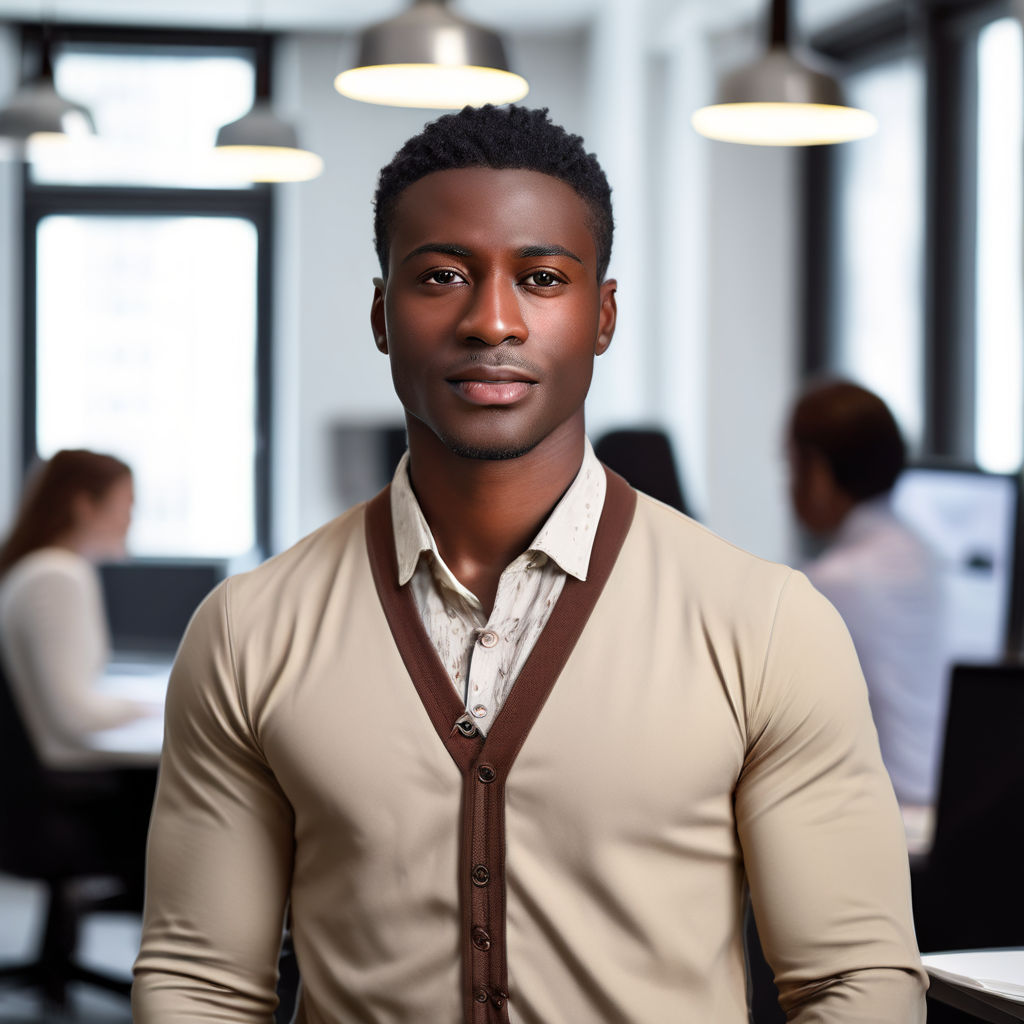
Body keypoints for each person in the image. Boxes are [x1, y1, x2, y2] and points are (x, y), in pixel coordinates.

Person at [133, 106, 926, 1022]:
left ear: (604, 315)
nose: (492, 321)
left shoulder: (766, 625)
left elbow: (853, 981)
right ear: (384, 315)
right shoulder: (248, 631)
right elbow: (203, 984)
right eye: (441, 277)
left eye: (542, 278)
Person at [787, 380, 949, 810]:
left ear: (818, 473)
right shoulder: (926, 557)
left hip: (882, 815)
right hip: (937, 804)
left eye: (792, 467)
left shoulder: (834, 583)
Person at [0, 448, 159, 767]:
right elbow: (74, 715)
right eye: (125, 507)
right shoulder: (55, 575)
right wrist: (157, 706)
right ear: (84, 506)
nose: (130, 521)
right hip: (71, 781)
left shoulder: (54, 569)